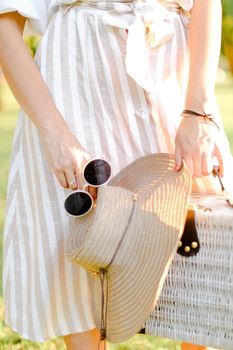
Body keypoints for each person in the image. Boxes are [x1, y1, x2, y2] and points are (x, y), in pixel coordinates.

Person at [0, 0, 232, 349]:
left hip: (173, 77)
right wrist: (55, 133)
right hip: (74, 85)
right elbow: (4, 21)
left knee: (196, 248)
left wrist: (197, 111)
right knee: (83, 253)